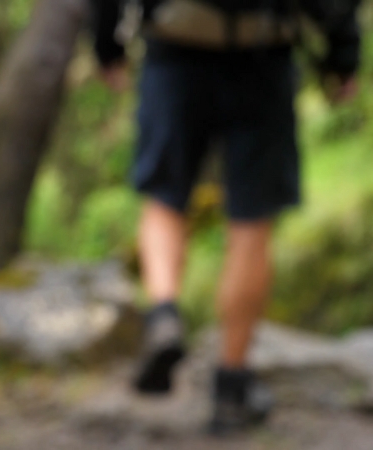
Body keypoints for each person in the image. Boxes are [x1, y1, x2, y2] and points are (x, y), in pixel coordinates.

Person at [91, 0, 360, 434]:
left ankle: (163, 313)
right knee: (252, 223)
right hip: (263, 52)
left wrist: (107, 45)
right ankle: (231, 389)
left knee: (163, 199)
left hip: (174, 43)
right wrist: (342, 54)